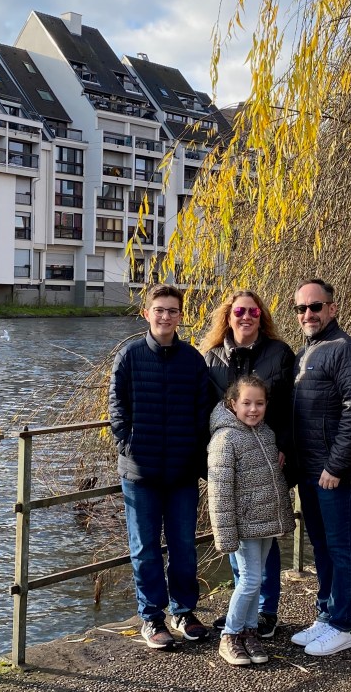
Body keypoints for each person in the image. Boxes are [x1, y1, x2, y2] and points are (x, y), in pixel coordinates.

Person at [109, 283, 213, 650]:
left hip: (182, 471)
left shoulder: (192, 359)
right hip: (141, 471)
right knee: (145, 548)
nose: (165, 316)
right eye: (159, 310)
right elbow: (117, 406)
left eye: (172, 310)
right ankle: (152, 617)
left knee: (184, 546)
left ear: (180, 316)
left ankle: (183, 611)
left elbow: (202, 411)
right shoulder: (130, 355)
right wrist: (128, 445)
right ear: (147, 314)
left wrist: (195, 454)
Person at [200, 289, 295, 639]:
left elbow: (290, 405)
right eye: (239, 311)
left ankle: (265, 611)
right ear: (228, 316)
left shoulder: (279, 353)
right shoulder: (211, 357)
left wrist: (284, 445)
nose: (246, 317)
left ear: (261, 316)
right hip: (231, 457)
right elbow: (204, 409)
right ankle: (243, 612)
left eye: (253, 311)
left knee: (266, 532)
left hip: (269, 456)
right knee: (239, 538)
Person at [289, 278, 351, 657]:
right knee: (321, 546)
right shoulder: (304, 353)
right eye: (302, 308)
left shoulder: (345, 350)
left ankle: (343, 625)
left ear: (332, 308)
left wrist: (335, 466)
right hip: (310, 472)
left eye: (315, 306)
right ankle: (325, 615)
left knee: (341, 548)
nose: (308, 314)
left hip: (338, 474)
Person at [207, 375, 296, 666]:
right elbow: (219, 492)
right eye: (246, 403)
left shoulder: (265, 433)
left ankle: (248, 631)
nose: (253, 409)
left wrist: (280, 518)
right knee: (250, 579)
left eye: (259, 403)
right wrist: (226, 535)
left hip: (265, 522)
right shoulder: (225, 439)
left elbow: (274, 481)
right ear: (233, 404)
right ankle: (230, 635)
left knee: (255, 582)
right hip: (244, 525)